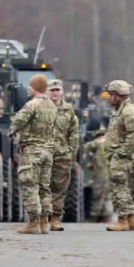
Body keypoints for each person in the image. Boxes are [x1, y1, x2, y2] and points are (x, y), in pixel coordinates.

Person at [9, 73, 56, 234]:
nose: (28, 90)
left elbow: (19, 121)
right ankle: (44, 222)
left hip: (32, 151)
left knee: (30, 185)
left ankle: (33, 223)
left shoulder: (32, 105)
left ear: (35, 88)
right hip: (48, 151)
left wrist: (12, 131)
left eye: (30, 87)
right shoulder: (52, 105)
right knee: (44, 187)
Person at [102, 79, 134, 231]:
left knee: (118, 188)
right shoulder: (119, 110)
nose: (109, 97)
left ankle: (122, 220)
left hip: (120, 157)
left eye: (111, 94)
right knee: (121, 187)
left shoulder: (128, 112)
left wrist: (121, 154)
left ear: (119, 95)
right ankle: (131, 219)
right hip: (116, 155)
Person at [47, 78, 80, 230]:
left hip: (62, 155)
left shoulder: (68, 110)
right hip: (43, 154)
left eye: (57, 90)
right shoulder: (38, 107)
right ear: (46, 92)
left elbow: (74, 131)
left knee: (59, 187)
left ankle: (55, 218)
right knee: (40, 186)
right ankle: (40, 218)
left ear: (62, 92)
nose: (55, 93)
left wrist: (71, 150)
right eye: (52, 90)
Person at [84, 127, 112, 223]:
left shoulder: (98, 142)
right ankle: (106, 217)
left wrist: (89, 161)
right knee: (108, 196)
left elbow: (86, 147)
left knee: (97, 194)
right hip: (111, 172)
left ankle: (94, 217)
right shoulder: (111, 142)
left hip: (101, 173)